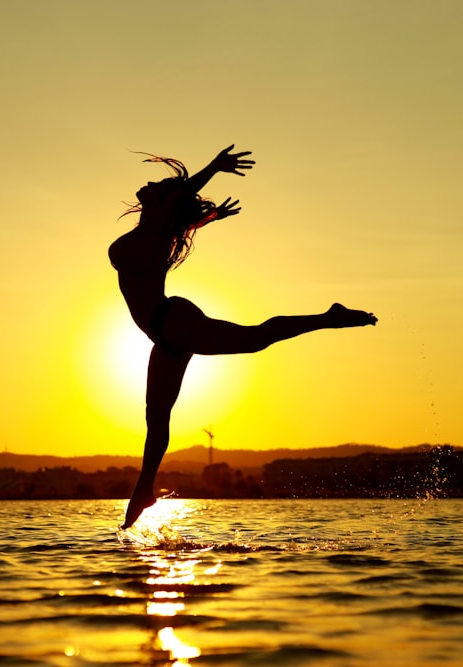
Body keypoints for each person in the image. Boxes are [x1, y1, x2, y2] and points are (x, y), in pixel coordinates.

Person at [109, 145, 376, 529]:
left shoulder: (156, 226)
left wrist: (214, 168)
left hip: (172, 321)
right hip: (164, 332)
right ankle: (144, 489)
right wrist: (211, 216)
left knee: (254, 339)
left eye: (156, 185)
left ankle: (327, 317)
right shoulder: (157, 228)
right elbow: (181, 215)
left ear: (164, 199)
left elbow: (182, 197)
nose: (147, 183)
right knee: (157, 416)